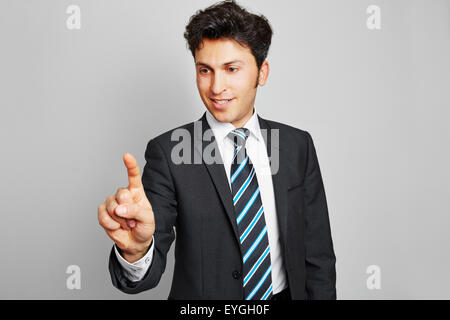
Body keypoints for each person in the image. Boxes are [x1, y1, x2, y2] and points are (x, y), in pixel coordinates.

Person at [97, 0, 336, 300]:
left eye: (231, 69)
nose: (215, 87)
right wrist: (136, 251)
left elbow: (318, 258)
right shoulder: (168, 154)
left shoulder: (296, 146)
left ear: (262, 73)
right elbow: (148, 266)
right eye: (205, 70)